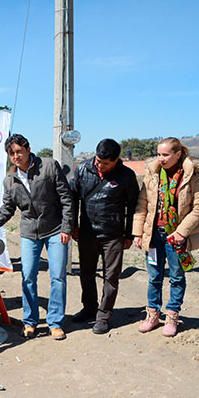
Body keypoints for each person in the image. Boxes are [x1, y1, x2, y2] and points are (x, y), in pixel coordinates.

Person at [0, 134, 73, 340]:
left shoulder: (49, 166)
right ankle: (30, 322)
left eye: (19, 151)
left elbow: (66, 198)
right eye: (11, 153)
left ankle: (55, 322)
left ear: (28, 149)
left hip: (56, 229)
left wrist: (67, 227)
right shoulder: (9, 180)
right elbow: (7, 209)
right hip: (30, 232)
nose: (15, 156)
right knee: (28, 277)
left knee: (57, 276)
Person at [133, 137, 199, 337]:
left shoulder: (193, 176)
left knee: (176, 277)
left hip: (177, 237)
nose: (161, 158)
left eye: (165, 154)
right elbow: (142, 205)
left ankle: (172, 315)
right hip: (154, 236)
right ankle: (153, 315)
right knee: (154, 277)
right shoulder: (152, 173)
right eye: (158, 154)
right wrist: (138, 232)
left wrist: (181, 232)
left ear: (178, 154)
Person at [70, 139, 139, 334]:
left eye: (105, 163)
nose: (99, 165)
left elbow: (133, 207)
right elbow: (72, 198)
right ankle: (89, 308)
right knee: (86, 273)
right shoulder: (83, 169)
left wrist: (129, 234)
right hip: (87, 233)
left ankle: (103, 315)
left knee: (111, 277)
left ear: (116, 160)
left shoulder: (126, 176)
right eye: (98, 161)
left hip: (113, 235)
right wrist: (73, 225)